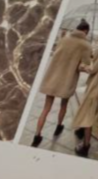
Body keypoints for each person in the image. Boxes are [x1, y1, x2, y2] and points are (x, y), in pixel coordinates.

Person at [31, 20, 92, 148]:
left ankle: (37, 136)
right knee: (63, 106)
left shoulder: (64, 39)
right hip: (67, 81)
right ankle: (59, 126)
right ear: (86, 31)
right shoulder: (85, 45)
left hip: (52, 78)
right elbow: (84, 66)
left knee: (46, 109)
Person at [72, 58, 98, 157]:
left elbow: (92, 69)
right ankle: (81, 130)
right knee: (92, 113)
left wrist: (82, 65)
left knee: (88, 116)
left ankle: (85, 146)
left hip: (95, 90)